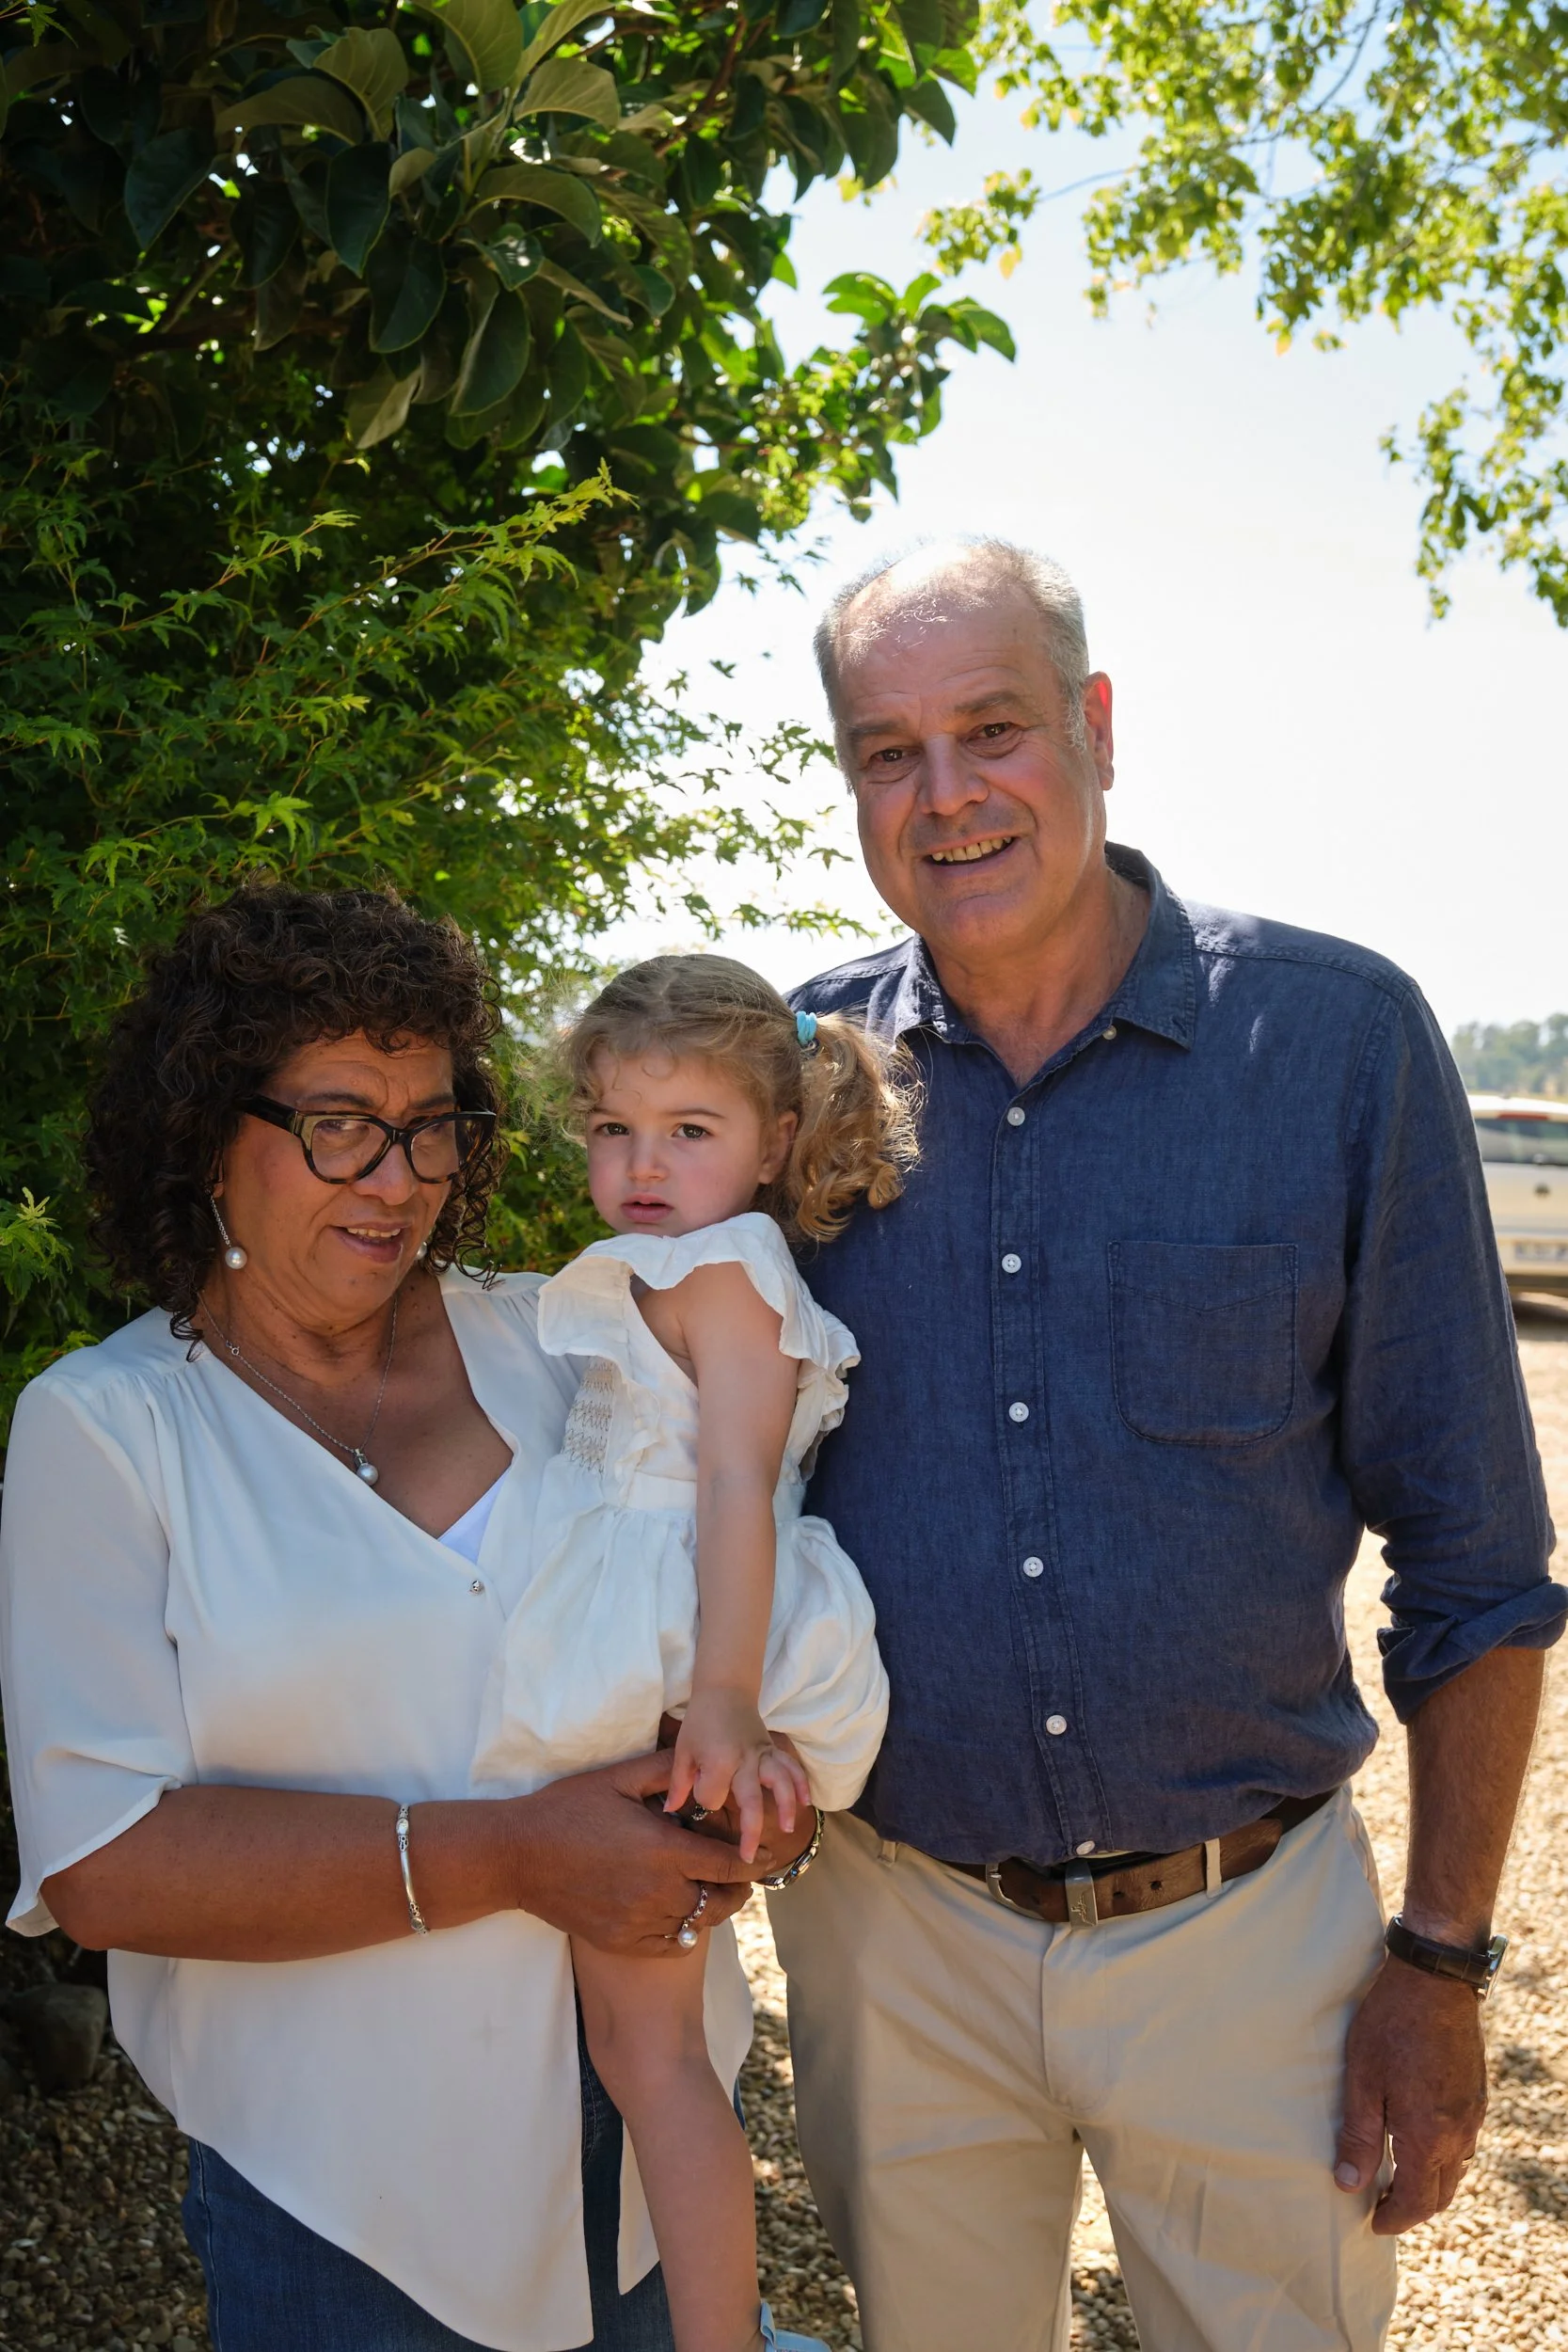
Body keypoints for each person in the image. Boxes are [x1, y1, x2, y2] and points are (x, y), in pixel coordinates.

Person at [768, 539, 1568, 2352]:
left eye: (992, 729)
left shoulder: (1337, 1047)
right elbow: (707, 1476)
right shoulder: (801, 1075)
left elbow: (1474, 1563)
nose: (946, 793)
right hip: (897, 1933)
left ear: (1097, 729)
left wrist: (1439, 1963)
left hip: (1248, 1946)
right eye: (889, 751)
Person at [0, 886, 820, 2352]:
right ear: (207, 1135)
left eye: (432, 1126)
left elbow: (757, 1572)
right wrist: (515, 1855)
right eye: (337, 1124)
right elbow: (104, 1867)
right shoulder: (106, 1430)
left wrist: (772, 1798)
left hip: (645, 2154)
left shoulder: (571, 1335)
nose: (396, 1180)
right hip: (341, 2208)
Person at [472, 953, 906, 2352]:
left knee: (652, 2061)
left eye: (688, 1132)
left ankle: (717, 2338)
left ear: (775, 1140)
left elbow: (734, 1488)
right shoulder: (686, 1263)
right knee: (638, 2046)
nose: (640, 1164)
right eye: (613, 1130)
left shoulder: (729, 1277)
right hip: (654, 1631)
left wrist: (720, 1698)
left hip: (670, 1651)